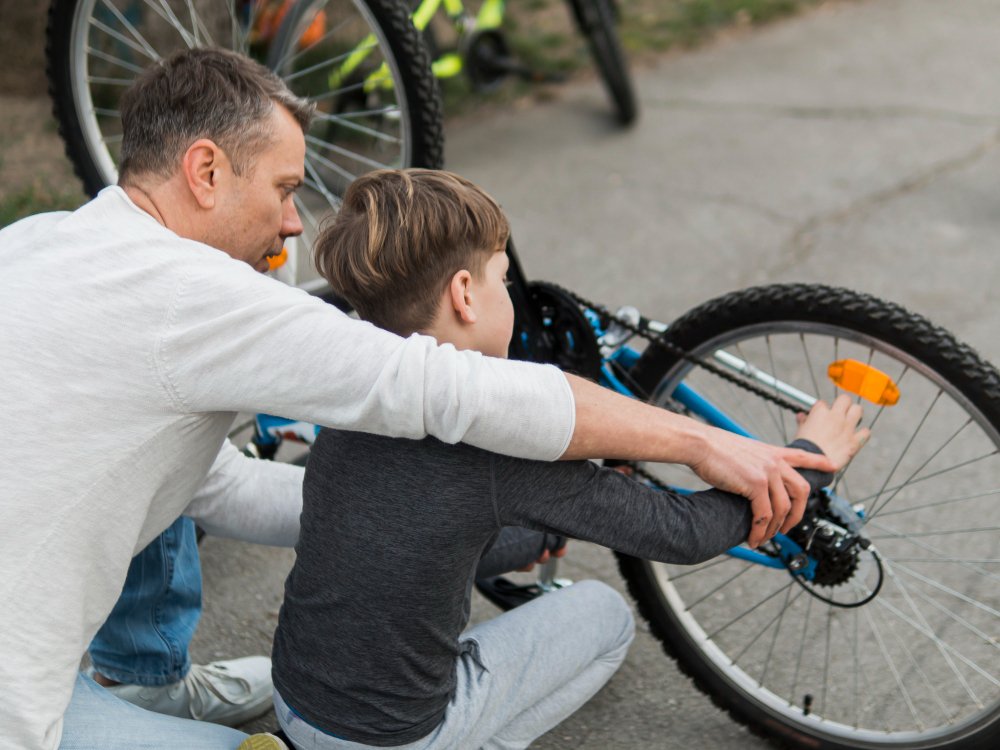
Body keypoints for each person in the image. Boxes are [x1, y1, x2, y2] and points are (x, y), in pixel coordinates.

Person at [0, 47, 835, 750]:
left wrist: (372, 512)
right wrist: (698, 443)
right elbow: (443, 389)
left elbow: (203, 482)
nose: (295, 225)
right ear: (207, 171)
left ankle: (146, 692)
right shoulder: (193, 298)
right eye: (287, 188)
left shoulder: (39, 242)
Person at [269, 169, 868, 749]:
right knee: (604, 615)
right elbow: (683, 533)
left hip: (294, 703)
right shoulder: (499, 440)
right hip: (395, 738)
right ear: (464, 295)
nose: (507, 293)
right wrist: (809, 463)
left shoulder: (352, 399)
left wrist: (540, 532)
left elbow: (421, 535)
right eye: (502, 281)